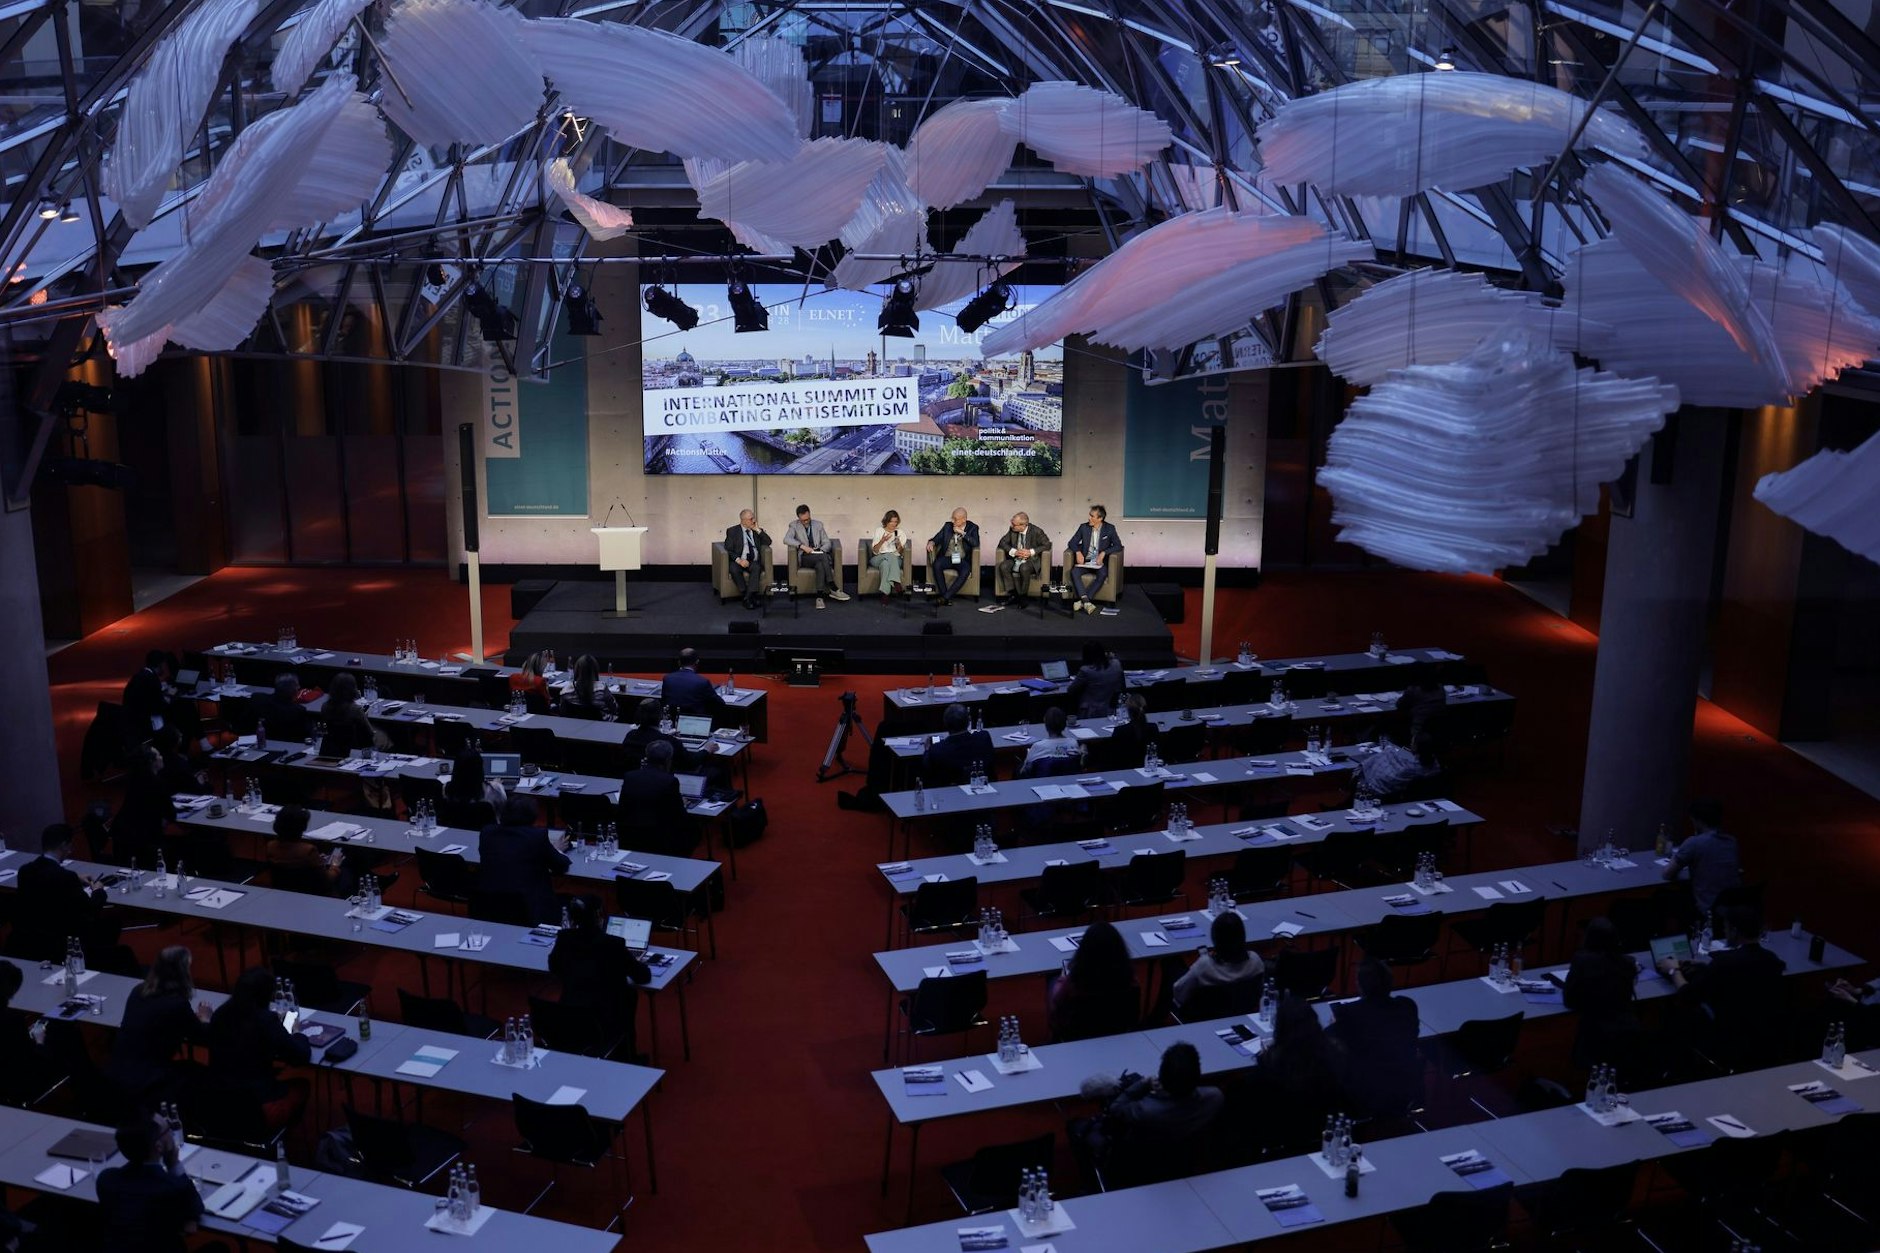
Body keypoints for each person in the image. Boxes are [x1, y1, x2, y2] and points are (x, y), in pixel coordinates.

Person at [1084, 1042, 1224, 1185]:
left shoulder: (1146, 1110)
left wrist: (1143, 1083)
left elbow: (1116, 1107)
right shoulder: (1215, 1097)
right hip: (1181, 1163)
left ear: (1161, 1074)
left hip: (1135, 1166)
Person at [1657, 904, 1785, 1042]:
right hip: (1761, 1034)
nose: (1725, 932)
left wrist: (1673, 969)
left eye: (1726, 928)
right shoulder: (1772, 959)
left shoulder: (1724, 963)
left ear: (1734, 931)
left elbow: (1688, 995)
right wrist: (1707, 966)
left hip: (1726, 1036)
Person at [549, 894, 653, 1061]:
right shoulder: (614, 944)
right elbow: (642, 976)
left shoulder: (564, 938)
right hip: (605, 1013)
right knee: (629, 995)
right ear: (599, 916)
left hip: (571, 1009)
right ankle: (628, 1055)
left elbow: (554, 967)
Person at [207, 966, 312, 1130]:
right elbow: (300, 1056)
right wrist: (298, 1033)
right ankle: (282, 1136)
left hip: (218, 1099)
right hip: (257, 1105)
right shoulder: (266, 1020)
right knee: (302, 1086)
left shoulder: (220, 1014)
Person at [106, 946, 210, 1105]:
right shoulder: (176, 1004)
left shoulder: (138, 991)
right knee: (202, 1075)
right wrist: (205, 1017)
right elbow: (201, 1035)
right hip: (147, 1080)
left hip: (116, 1071)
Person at [96, 1112, 205, 1253]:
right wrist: (173, 1163)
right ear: (158, 1146)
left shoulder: (106, 1179)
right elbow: (196, 1207)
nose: (172, 1132)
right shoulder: (171, 1188)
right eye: (168, 1129)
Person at [1249, 996, 1345, 1152]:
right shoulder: (1336, 1057)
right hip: (1323, 1133)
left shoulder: (1269, 1068)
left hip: (1282, 1135)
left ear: (1280, 1028)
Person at [1327, 959, 1421, 1117]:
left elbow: (1324, 1041)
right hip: (1403, 1088)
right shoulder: (1407, 1006)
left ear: (1360, 985)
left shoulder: (1347, 1013)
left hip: (1361, 1095)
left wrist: (1334, 1024)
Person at [15, 823, 113, 963]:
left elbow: (47, 879)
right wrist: (98, 890)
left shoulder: (25, 871)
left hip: (32, 939)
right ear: (63, 845)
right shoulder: (66, 877)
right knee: (111, 924)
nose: (70, 851)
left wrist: (75, 878)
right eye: (70, 846)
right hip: (63, 941)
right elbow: (90, 909)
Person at [1563, 916, 1642, 1070]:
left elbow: (1569, 1000)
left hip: (1596, 1036)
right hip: (1628, 1031)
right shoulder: (1628, 962)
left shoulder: (1581, 961)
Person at [478, 795, 569, 925]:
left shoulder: (487, 832)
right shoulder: (537, 836)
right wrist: (556, 849)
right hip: (527, 907)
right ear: (532, 816)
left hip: (489, 903)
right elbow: (560, 865)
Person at [1047, 920, 1140, 1041]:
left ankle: (1053, 1040)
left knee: (1052, 980)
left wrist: (1062, 979)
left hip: (1076, 1038)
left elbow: (1058, 1013)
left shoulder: (1072, 986)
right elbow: (1134, 1017)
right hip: (1117, 1034)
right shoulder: (1131, 983)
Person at [0, 960, 69, 1107]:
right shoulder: (12, 1020)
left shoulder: (11, 1019)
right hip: (14, 1084)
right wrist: (39, 1041)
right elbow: (25, 1061)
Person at [1662, 797, 1742, 922]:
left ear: (1697, 820)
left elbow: (1667, 874)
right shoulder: (1731, 842)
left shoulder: (1694, 843)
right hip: (1733, 907)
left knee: (1661, 896)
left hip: (1707, 908)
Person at [1171, 911, 1265, 1014]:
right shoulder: (1256, 961)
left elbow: (1178, 993)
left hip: (1204, 1017)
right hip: (1243, 1013)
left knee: (1170, 964)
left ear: (1215, 937)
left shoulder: (1204, 966)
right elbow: (1260, 992)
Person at [616, 740, 695, 856]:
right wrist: (682, 803)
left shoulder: (630, 776)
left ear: (646, 756)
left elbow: (622, 807)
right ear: (668, 760)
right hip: (658, 837)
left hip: (629, 834)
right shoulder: (670, 781)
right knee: (694, 829)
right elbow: (678, 815)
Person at [109, 746, 174, 868]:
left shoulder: (134, 779)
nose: (162, 757)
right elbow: (171, 814)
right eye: (159, 755)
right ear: (152, 762)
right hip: (145, 840)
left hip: (124, 835)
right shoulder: (157, 783)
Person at [263, 805, 342, 895]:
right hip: (314, 894)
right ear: (302, 827)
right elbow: (326, 881)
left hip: (283, 892)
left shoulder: (270, 846)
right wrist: (335, 866)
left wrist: (317, 860)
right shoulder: (308, 851)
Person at [784, 503, 847, 609]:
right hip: (805, 556)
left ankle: (819, 598)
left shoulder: (818, 525)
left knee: (820, 565)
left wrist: (820, 550)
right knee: (824, 557)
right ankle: (832, 586)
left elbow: (827, 542)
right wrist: (802, 546)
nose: (806, 522)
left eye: (808, 519)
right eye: (803, 520)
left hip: (818, 554)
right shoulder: (794, 525)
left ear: (810, 515)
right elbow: (786, 539)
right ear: (799, 518)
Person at [921, 704, 995, 787]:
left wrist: (927, 750)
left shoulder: (937, 750)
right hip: (982, 786)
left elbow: (927, 767)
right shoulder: (984, 737)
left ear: (945, 724)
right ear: (968, 722)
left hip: (950, 790)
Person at [1353, 730, 1440, 800]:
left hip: (1378, 794)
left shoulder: (1394, 756)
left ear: (1415, 746)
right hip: (1399, 796)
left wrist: (1388, 748)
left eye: (1413, 742)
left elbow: (1387, 757)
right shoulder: (1434, 766)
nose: (1411, 743)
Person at [1065, 505, 1122, 612]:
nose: (1089, 518)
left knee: (1103, 574)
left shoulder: (1109, 529)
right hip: (1085, 562)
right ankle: (1086, 602)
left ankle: (1082, 601)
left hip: (1099, 563)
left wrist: (1104, 553)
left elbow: (1118, 546)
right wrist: (1078, 552)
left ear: (1100, 518)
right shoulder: (1083, 527)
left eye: (1092, 516)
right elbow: (1071, 542)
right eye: (1089, 515)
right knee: (1074, 572)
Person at [317, 672, 384, 757]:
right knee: (384, 737)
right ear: (352, 689)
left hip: (330, 750)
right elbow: (370, 733)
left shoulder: (324, 707)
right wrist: (364, 716)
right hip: (352, 751)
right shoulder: (356, 710)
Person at [927, 507, 979, 605]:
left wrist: (963, 533)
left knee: (966, 570)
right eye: (952, 518)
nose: (953, 521)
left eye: (955, 519)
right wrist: (932, 542)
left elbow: (975, 543)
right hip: (948, 557)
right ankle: (945, 596)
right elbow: (937, 538)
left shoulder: (973, 527)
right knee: (937, 564)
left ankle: (945, 597)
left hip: (962, 559)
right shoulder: (948, 526)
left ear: (964, 519)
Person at [996, 512, 1050, 603]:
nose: (1012, 526)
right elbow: (1002, 543)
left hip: (1031, 561)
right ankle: (1013, 594)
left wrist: (1030, 552)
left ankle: (1023, 596)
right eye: (1012, 523)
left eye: (1014, 524)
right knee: (1004, 566)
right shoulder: (1012, 530)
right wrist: (1015, 552)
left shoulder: (1037, 531)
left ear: (1023, 525)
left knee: (1024, 568)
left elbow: (1047, 545)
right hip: (1016, 558)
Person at [722, 508, 771, 610]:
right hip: (739, 560)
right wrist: (739, 560)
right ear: (743, 520)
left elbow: (768, 542)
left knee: (757, 567)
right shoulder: (732, 531)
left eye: (753, 518)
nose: (753, 521)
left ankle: (747, 598)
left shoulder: (757, 530)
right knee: (733, 569)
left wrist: (758, 530)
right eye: (751, 519)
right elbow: (728, 549)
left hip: (753, 561)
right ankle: (747, 595)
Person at [661, 647, 727, 718]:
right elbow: (719, 703)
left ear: (679, 662)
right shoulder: (702, 682)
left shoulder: (668, 678)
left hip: (672, 720)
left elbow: (664, 701)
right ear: (697, 662)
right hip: (694, 721)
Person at [1067, 641, 1125, 719]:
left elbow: (1071, 690)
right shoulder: (1116, 663)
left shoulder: (1086, 670)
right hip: (1111, 709)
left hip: (1090, 712)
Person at [122, 650, 172, 740]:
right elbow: (158, 707)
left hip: (132, 720)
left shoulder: (139, 676)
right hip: (146, 722)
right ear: (160, 664)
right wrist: (169, 699)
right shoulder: (152, 679)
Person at [557, 654, 618, 721]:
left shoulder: (566, 690)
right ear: (595, 670)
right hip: (602, 724)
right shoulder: (602, 688)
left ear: (577, 670)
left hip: (574, 724)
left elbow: (562, 711)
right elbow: (614, 708)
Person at [255, 673, 311, 743]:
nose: (299, 687)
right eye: (297, 685)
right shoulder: (298, 710)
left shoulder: (257, 698)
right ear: (292, 690)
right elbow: (305, 734)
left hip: (263, 740)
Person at [867, 509, 909, 600]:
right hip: (878, 558)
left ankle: (885, 594)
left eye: (896, 522)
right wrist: (882, 541)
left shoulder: (900, 533)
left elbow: (900, 552)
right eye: (891, 522)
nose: (894, 524)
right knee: (889, 556)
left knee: (885, 565)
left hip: (896, 560)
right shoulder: (879, 530)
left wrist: (898, 544)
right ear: (886, 521)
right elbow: (875, 551)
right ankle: (896, 582)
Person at [1020, 706, 1077, 773]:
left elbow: (1024, 771)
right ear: (1065, 723)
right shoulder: (1073, 743)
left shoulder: (1037, 746)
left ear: (1045, 722)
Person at [1394, 677, 1448, 743]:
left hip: (1418, 731)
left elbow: (1399, 704)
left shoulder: (1413, 690)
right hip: (1438, 729)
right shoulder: (1440, 687)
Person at [1108, 694, 1154, 769]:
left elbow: (1112, 755)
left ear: (1128, 711)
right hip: (1148, 765)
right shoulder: (1153, 727)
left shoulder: (1120, 731)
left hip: (1123, 768)